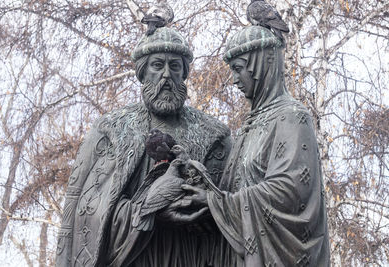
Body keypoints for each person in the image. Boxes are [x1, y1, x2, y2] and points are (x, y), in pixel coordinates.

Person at [55, 25, 234, 266]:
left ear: (184, 74)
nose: (167, 76)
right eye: (157, 65)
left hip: (191, 256)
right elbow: (86, 214)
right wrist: (147, 210)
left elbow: (233, 210)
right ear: (142, 73)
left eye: (175, 66)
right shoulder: (110, 131)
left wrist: (206, 204)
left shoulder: (215, 136)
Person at [183, 25, 330, 266]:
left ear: (261, 66)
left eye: (238, 69)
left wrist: (216, 201)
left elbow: (291, 192)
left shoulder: (292, 116)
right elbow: (232, 190)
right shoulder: (247, 127)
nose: (233, 80)